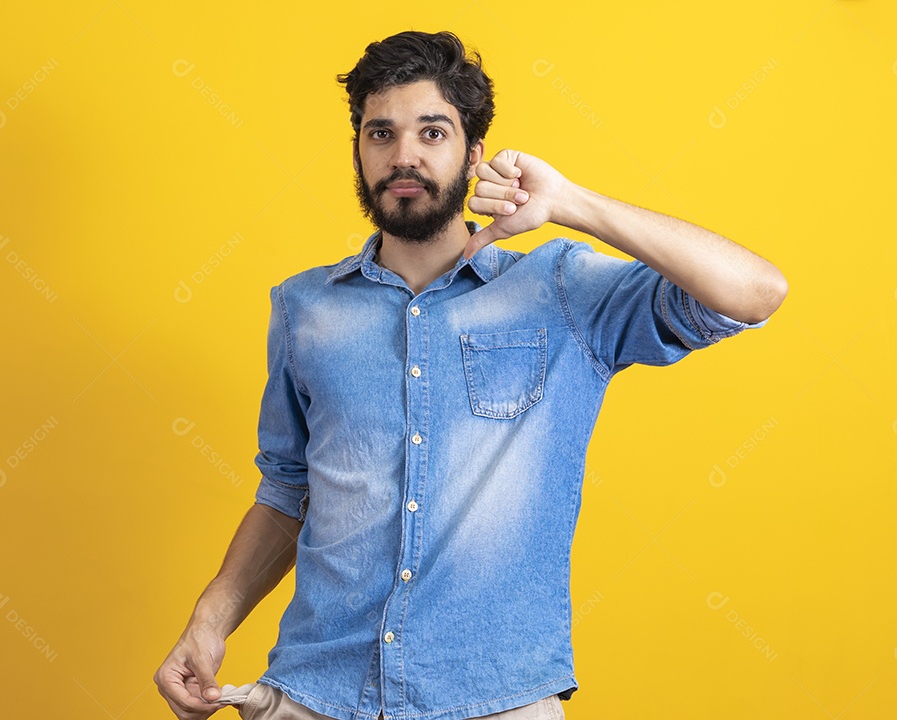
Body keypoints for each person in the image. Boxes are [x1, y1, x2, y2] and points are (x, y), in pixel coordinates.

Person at [154, 30, 788, 720]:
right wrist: (209, 621)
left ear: (473, 154)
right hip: (318, 693)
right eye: (380, 133)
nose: (404, 156)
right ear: (358, 150)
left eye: (433, 132)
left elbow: (755, 291)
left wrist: (573, 203)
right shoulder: (304, 307)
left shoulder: (563, 290)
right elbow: (286, 490)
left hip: (495, 695)